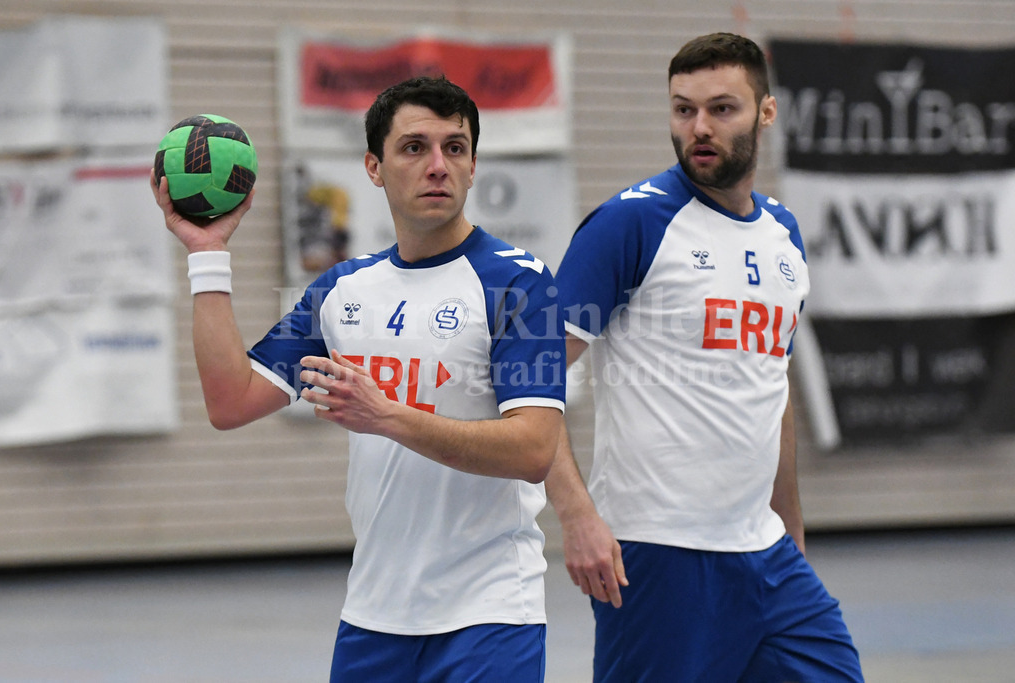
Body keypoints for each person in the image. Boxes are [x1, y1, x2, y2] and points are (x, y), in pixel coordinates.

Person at [152, 75, 566, 682]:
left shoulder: (518, 283)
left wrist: (387, 416)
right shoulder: (343, 289)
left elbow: (533, 449)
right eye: (414, 147)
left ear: (474, 166)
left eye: (455, 148)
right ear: (373, 166)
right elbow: (230, 400)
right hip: (375, 614)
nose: (437, 166)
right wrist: (207, 253)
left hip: (491, 612)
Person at [545, 33, 864, 681]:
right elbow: (530, 377)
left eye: (722, 108)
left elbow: (770, 389)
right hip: (661, 552)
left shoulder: (783, 235)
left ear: (765, 113)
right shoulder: (630, 225)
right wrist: (577, 516)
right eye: (683, 109)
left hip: (766, 554)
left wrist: (789, 525)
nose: (700, 127)